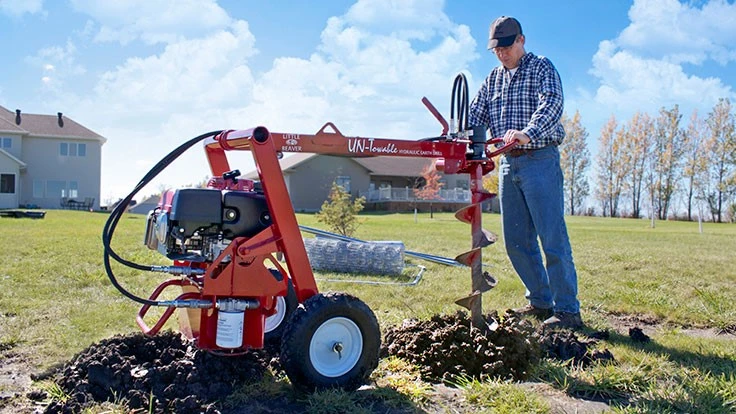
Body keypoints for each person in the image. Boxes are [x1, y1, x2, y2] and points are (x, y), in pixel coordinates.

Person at [468, 16, 582, 329]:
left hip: (539, 159)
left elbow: (552, 103)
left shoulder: (541, 67)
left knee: (552, 238)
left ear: (521, 40)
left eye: (506, 46)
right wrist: (459, 134)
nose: (502, 53)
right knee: (516, 241)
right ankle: (541, 301)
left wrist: (527, 133)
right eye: (496, 49)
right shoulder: (493, 79)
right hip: (508, 165)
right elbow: (476, 115)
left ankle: (568, 310)